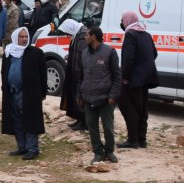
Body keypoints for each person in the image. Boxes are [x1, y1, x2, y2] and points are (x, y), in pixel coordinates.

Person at [74, 26, 120, 164]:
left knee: (108, 127)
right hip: (88, 97)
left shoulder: (109, 52)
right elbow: (81, 76)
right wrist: (79, 94)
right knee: (92, 126)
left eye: (87, 35)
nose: (85, 37)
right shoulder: (84, 53)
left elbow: (117, 76)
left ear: (94, 37)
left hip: (105, 98)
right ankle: (98, 153)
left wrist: (113, 95)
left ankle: (109, 151)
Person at [1, 26, 47, 160]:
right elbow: (5, 71)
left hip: (29, 94)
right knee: (16, 120)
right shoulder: (9, 52)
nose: (24, 39)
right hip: (12, 92)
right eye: (21, 37)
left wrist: (43, 92)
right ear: (16, 38)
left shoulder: (35, 52)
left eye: (26, 36)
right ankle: (22, 146)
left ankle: (32, 148)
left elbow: (43, 74)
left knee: (30, 120)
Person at [116, 10, 159, 149]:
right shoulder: (146, 34)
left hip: (134, 79)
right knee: (142, 109)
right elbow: (154, 53)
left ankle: (133, 140)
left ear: (127, 21)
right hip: (146, 78)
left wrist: (126, 77)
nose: (121, 23)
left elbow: (128, 58)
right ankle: (142, 140)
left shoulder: (130, 35)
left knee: (127, 106)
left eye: (122, 20)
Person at [57, 19, 87, 132]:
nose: (67, 35)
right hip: (76, 72)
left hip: (80, 73)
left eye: (67, 32)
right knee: (76, 97)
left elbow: (82, 56)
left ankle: (84, 123)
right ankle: (79, 120)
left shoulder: (83, 35)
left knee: (81, 98)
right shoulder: (78, 33)